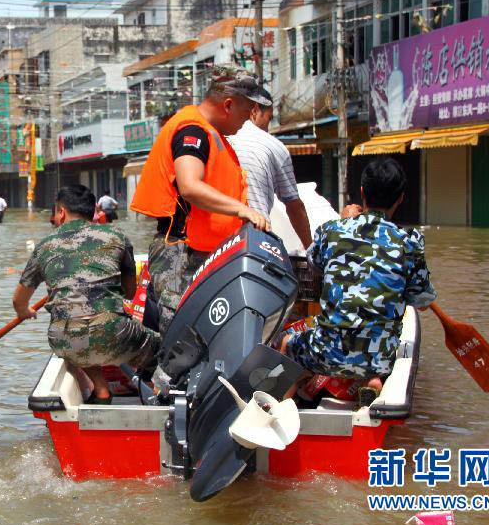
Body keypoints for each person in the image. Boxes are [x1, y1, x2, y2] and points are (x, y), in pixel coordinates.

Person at [280, 158, 436, 404]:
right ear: (401, 198)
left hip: (326, 355)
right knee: (377, 348)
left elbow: (315, 263)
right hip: (379, 358)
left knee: (288, 344)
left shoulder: (332, 231)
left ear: (362, 192)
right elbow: (422, 301)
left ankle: (280, 413)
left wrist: (344, 223)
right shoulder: (410, 241)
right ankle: (373, 381)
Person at [130, 66, 271, 336]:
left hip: (204, 253)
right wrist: (243, 210)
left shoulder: (213, 133)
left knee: (207, 333)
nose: (249, 119)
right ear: (229, 105)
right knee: (181, 335)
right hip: (182, 254)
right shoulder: (192, 131)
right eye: (247, 110)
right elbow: (190, 185)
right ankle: (163, 380)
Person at [13, 185, 159, 404]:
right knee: (163, 349)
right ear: (94, 212)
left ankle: (101, 390)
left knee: (78, 332)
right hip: (113, 334)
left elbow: (18, 300)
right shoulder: (117, 237)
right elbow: (130, 294)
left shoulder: (44, 246)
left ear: (61, 212)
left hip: (63, 339)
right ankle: (155, 390)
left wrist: (25, 311)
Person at [227, 88, 313, 248]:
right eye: (269, 118)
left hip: (213, 243)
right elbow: (294, 206)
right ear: (255, 110)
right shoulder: (274, 146)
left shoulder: (219, 137)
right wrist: (310, 250)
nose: (268, 126)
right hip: (255, 239)